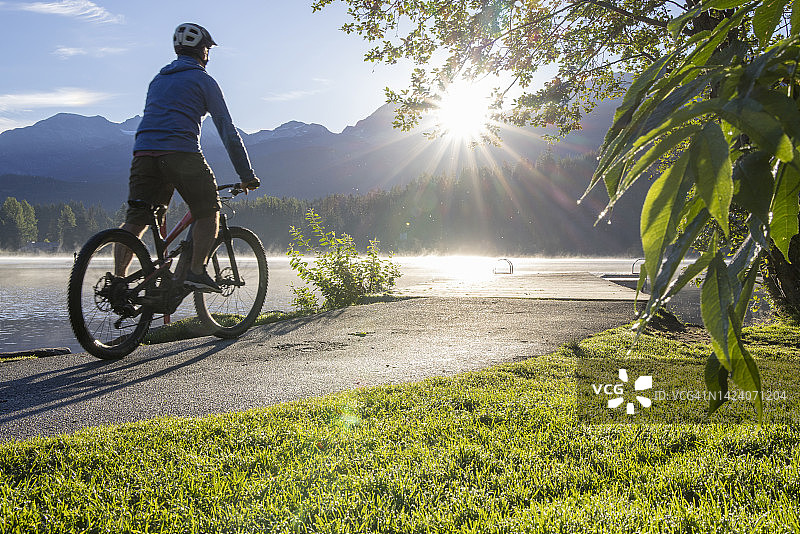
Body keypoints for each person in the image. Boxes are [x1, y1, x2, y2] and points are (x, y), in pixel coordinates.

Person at [115, 22, 259, 292]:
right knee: (208, 210)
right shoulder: (204, 81)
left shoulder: (158, 79)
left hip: (144, 154)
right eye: (208, 49)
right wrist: (246, 175)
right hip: (181, 153)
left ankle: (119, 282)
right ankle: (196, 272)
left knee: (136, 219)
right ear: (203, 51)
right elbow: (227, 130)